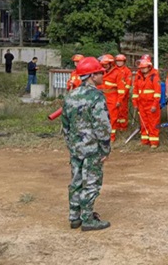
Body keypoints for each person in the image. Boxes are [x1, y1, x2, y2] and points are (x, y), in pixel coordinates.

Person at [61, 56, 111, 231]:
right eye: (100, 73)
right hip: (92, 148)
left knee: (76, 180)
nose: (102, 75)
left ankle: (74, 216)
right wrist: (105, 148)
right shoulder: (96, 97)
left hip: (76, 147)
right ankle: (88, 219)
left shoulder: (71, 95)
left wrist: (71, 144)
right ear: (91, 76)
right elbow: (102, 126)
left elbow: (65, 125)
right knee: (91, 182)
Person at [132, 59, 161, 147]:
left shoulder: (154, 77)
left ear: (149, 67)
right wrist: (135, 103)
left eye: (144, 68)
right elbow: (135, 91)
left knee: (153, 123)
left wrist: (155, 105)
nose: (143, 69)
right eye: (141, 68)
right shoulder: (139, 77)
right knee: (143, 123)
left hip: (151, 104)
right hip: (141, 104)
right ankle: (145, 141)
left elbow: (157, 92)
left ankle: (154, 142)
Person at [98, 55, 126, 143]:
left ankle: (111, 137)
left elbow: (121, 89)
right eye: (103, 64)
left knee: (112, 118)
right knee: (101, 117)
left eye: (106, 64)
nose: (104, 66)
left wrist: (119, 100)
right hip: (102, 97)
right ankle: (102, 136)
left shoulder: (117, 73)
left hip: (113, 97)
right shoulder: (101, 72)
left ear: (111, 64)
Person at [114, 54, 132, 132]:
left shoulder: (127, 71)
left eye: (121, 61)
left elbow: (128, 84)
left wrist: (124, 93)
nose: (119, 63)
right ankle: (117, 126)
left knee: (123, 111)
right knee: (115, 111)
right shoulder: (113, 70)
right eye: (118, 61)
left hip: (124, 95)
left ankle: (123, 127)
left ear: (124, 62)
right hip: (114, 94)